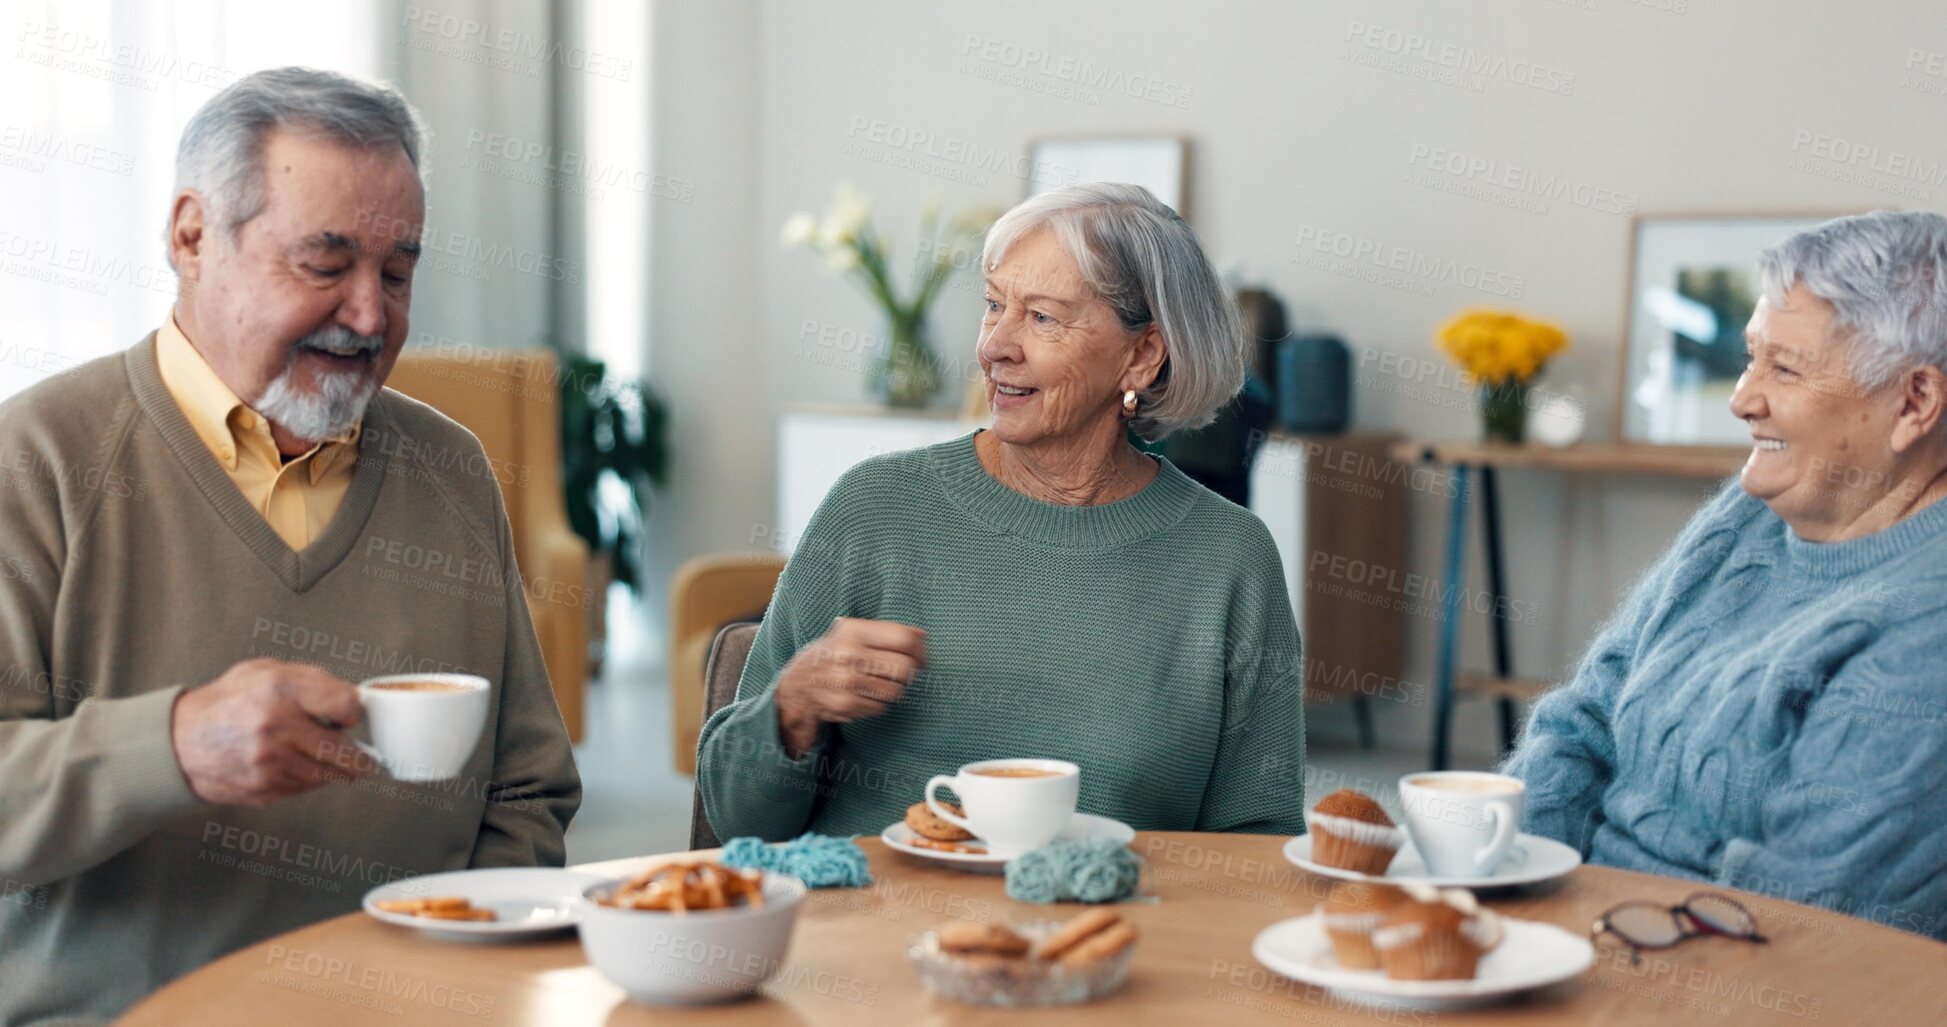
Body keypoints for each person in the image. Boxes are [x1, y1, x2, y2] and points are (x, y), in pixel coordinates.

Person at [0, 68, 580, 1022]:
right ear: (193, 235)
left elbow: (528, 788)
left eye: (397, 274)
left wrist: (460, 975)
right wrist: (172, 745)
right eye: (325, 264)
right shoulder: (38, 461)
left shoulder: (450, 468)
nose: (369, 315)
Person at [698, 183, 1305, 840]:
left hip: (1111, 934)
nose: (994, 346)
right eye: (994, 306)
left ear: (1141, 355)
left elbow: (1257, 848)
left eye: (1042, 317)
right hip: (873, 930)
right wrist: (791, 706)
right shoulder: (873, 509)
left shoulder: (1229, 557)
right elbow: (735, 821)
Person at [1505, 210, 1947, 940]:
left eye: (1784, 368)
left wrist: (1595, 902)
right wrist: (1509, 880)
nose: (1742, 397)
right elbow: (1584, 717)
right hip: (1571, 926)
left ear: (1913, 402)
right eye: (1750, 357)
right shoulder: (1749, 514)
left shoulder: (1927, 616)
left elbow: (1802, 918)